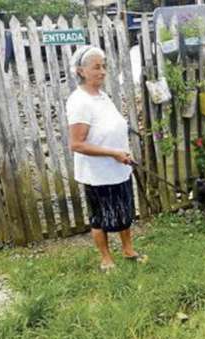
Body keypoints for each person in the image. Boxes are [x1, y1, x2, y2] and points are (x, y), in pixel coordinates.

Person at [66, 45, 147, 272]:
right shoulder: (79, 101)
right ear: (81, 71)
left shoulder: (101, 96)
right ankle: (106, 258)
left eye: (103, 66)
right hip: (97, 174)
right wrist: (113, 153)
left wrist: (121, 151)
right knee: (100, 217)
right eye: (96, 67)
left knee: (124, 211)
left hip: (118, 167)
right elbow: (76, 144)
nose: (102, 71)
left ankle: (128, 250)